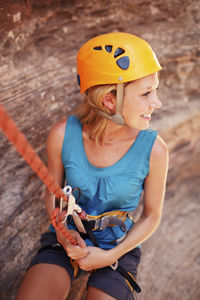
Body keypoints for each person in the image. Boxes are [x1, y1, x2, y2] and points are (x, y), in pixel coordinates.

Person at [16, 32, 169, 300]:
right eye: (146, 93)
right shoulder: (63, 136)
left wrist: (110, 255)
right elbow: (53, 193)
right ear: (109, 100)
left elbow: (151, 215)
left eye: (154, 91)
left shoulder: (155, 150)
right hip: (67, 235)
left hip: (119, 245)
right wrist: (64, 236)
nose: (156, 103)